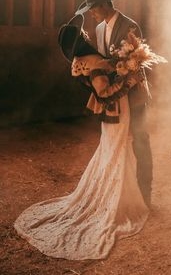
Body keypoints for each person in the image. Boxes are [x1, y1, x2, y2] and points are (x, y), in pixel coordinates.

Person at [13, 16, 149, 261]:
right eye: (83, 37)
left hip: (113, 115)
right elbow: (106, 94)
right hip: (117, 112)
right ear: (80, 43)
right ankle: (115, 202)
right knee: (116, 153)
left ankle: (121, 196)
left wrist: (121, 67)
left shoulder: (83, 61)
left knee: (113, 152)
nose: (87, 36)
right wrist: (128, 80)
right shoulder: (94, 62)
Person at [76, 0, 153, 207]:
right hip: (114, 97)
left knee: (140, 140)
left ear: (104, 4)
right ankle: (116, 195)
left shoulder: (130, 26)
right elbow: (103, 60)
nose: (91, 13)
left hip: (133, 93)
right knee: (115, 142)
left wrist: (116, 75)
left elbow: (134, 65)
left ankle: (144, 195)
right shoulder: (99, 29)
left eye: (93, 8)